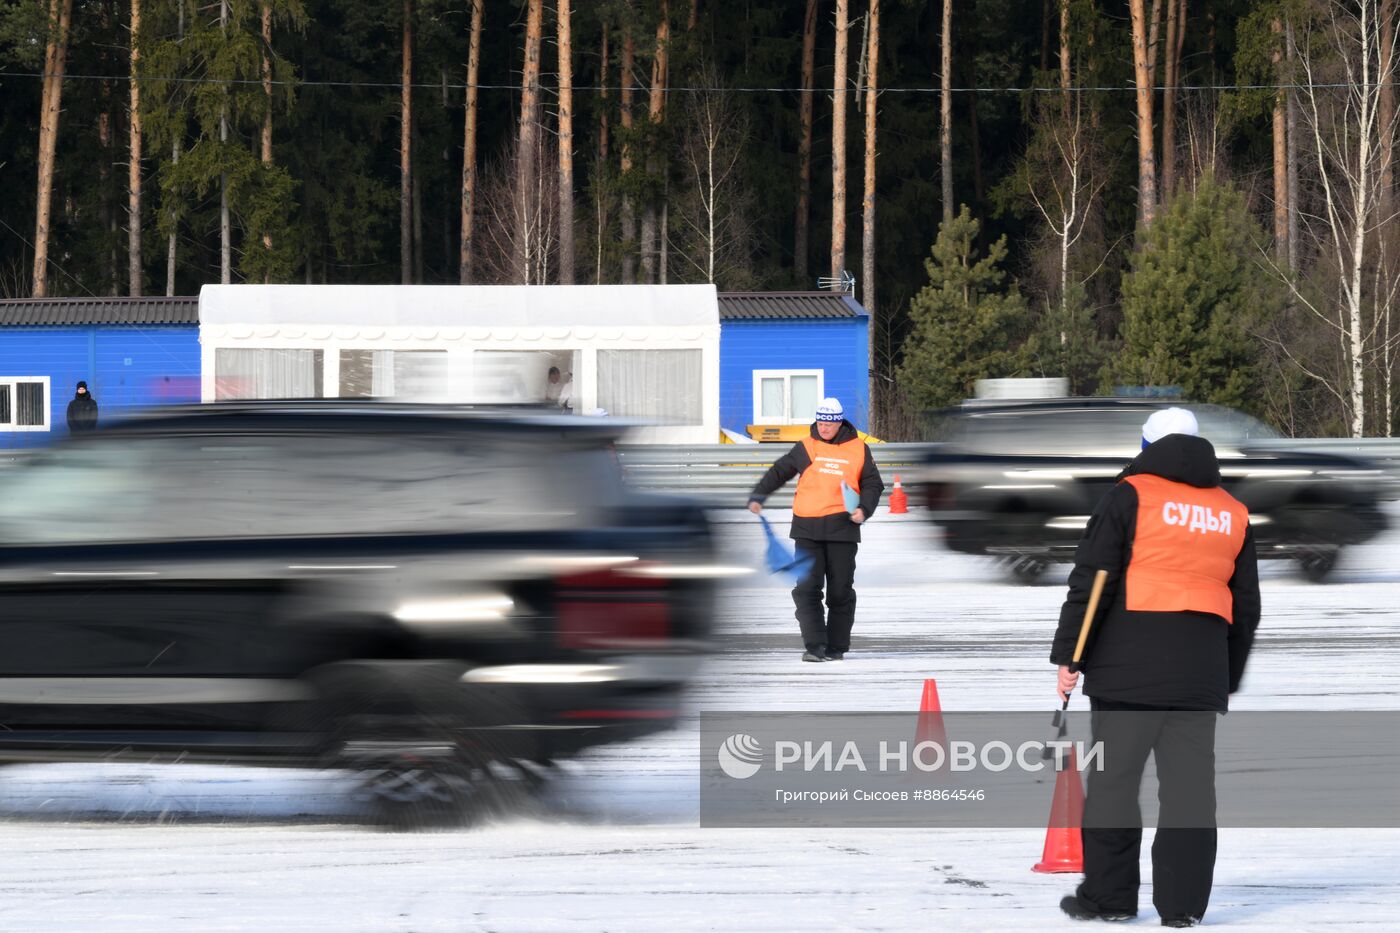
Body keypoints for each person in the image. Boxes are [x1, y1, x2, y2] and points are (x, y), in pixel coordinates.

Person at [1051, 407, 1261, 928]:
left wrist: (1071, 657)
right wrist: (1225, 677)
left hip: (1127, 668)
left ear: (1145, 446)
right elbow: (1247, 605)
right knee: (1190, 791)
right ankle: (1183, 907)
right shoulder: (1232, 510)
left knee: (1114, 785)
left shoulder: (1131, 493)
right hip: (1199, 673)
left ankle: (1110, 899)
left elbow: (1093, 580)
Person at [747, 397, 884, 662]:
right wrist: (759, 495)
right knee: (807, 589)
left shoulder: (859, 449)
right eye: (820, 423)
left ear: (839, 423)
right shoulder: (807, 446)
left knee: (840, 591)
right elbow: (780, 470)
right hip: (807, 529)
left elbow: (873, 484)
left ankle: (836, 647)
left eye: (828, 424)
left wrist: (864, 509)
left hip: (842, 528)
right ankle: (815, 646)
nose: (823, 428)